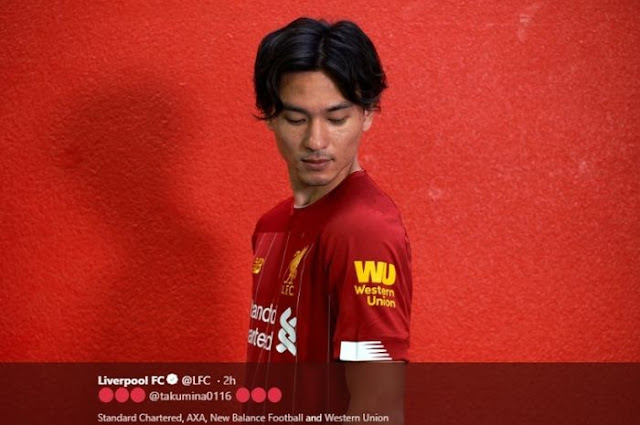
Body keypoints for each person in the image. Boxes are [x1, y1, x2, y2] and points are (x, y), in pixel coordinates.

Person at [246, 17, 411, 422]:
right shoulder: (271, 225)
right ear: (270, 116)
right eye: (296, 119)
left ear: (368, 114)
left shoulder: (363, 231)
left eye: (336, 119)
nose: (316, 141)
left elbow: (378, 406)